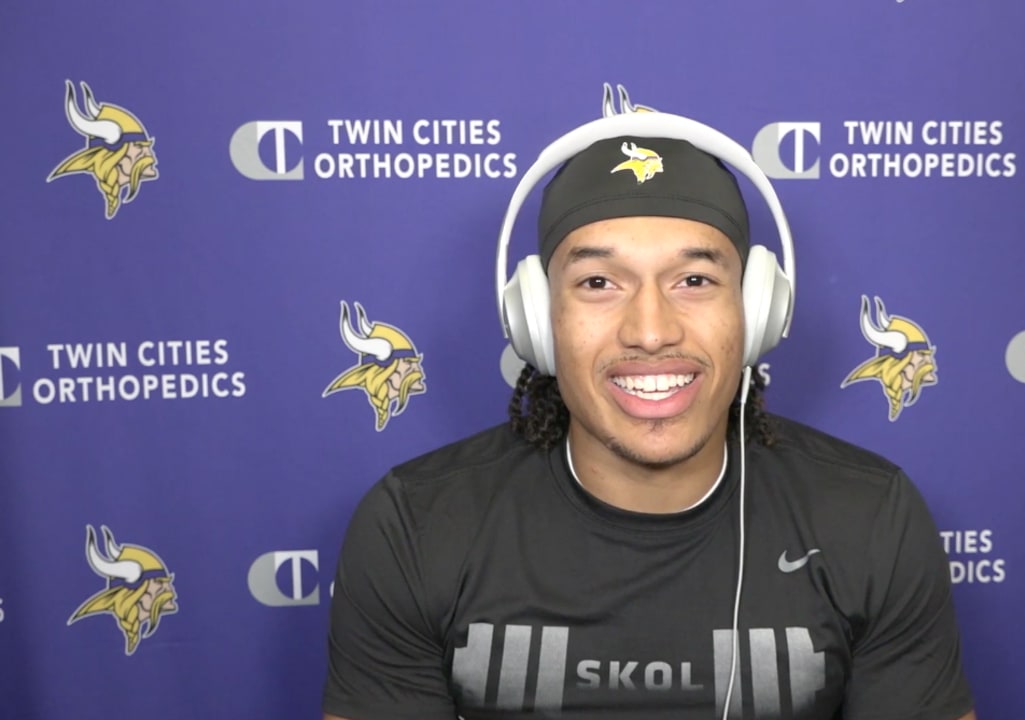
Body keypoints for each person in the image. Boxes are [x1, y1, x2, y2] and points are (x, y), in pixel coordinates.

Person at [321, 103, 977, 720]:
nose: (652, 330)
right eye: (598, 283)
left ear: (757, 313)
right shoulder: (415, 525)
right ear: (535, 322)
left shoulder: (869, 518)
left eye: (694, 280)